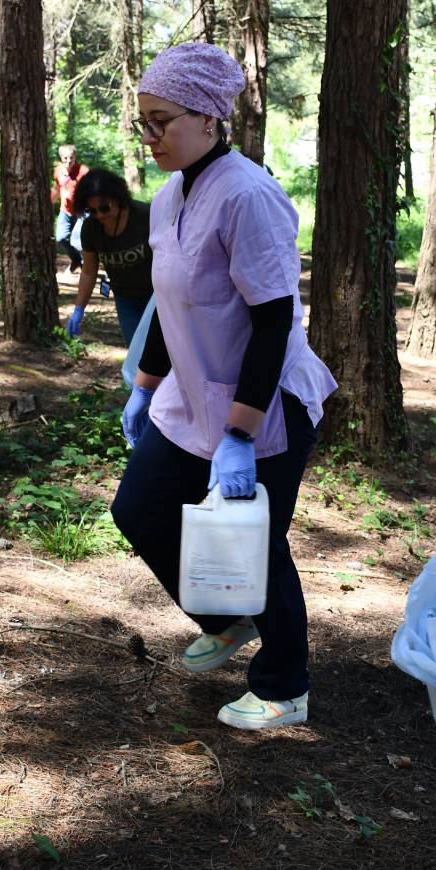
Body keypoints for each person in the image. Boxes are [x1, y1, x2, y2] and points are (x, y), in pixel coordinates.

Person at [110, 42, 337, 731]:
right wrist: (145, 386)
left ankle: (284, 687)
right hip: (190, 395)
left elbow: (273, 323)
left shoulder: (248, 196)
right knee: (140, 510)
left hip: (261, 403)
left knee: (255, 544)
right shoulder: (172, 192)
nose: (149, 138)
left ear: (210, 119)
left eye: (162, 122)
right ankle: (226, 616)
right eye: (141, 122)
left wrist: (240, 435)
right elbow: (166, 301)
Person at [65, 168, 154, 347]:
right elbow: (89, 271)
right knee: (137, 353)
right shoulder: (91, 228)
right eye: (92, 210)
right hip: (125, 299)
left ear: (118, 198)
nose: (99, 215)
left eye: (104, 208)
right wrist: (79, 309)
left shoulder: (146, 216)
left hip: (157, 297)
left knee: (165, 354)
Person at [52, 145, 90, 273]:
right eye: (65, 158)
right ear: (61, 157)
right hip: (65, 211)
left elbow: (92, 190)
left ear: (75, 157)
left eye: (71, 157)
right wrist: (49, 202)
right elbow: (57, 188)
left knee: (81, 241)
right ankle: (76, 260)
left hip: (82, 211)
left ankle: (87, 267)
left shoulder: (84, 171)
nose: (69, 160)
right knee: (61, 238)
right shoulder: (58, 171)